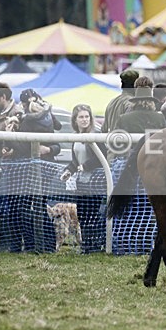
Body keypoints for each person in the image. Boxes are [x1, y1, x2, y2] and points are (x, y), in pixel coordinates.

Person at [60, 104, 108, 253]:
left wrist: (86, 166)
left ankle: (94, 246)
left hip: (94, 182)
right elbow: (76, 161)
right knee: (82, 215)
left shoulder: (96, 134)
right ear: (75, 119)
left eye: (87, 116)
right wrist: (68, 170)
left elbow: (103, 156)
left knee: (93, 215)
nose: (84, 119)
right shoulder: (76, 137)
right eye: (81, 117)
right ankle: (86, 246)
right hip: (81, 183)